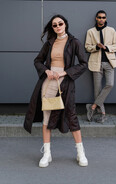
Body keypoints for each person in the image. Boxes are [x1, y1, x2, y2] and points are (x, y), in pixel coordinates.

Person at [24, 14, 88, 167]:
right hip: (48, 82)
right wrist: (46, 71)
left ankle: (81, 153)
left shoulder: (74, 42)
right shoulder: (49, 43)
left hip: (66, 82)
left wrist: (64, 73)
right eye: (54, 25)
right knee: (47, 116)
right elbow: (38, 61)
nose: (58, 26)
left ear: (65, 24)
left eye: (60, 23)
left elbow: (83, 64)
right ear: (52, 28)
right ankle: (47, 154)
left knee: (71, 115)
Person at [85, 10, 116, 123]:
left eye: (103, 17)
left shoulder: (111, 30)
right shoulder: (90, 31)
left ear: (106, 18)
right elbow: (87, 47)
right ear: (96, 18)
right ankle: (102, 114)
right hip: (96, 63)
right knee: (97, 90)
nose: (101, 19)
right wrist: (97, 47)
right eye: (99, 17)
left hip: (109, 62)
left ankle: (93, 106)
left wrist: (106, 48)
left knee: (110, 84)